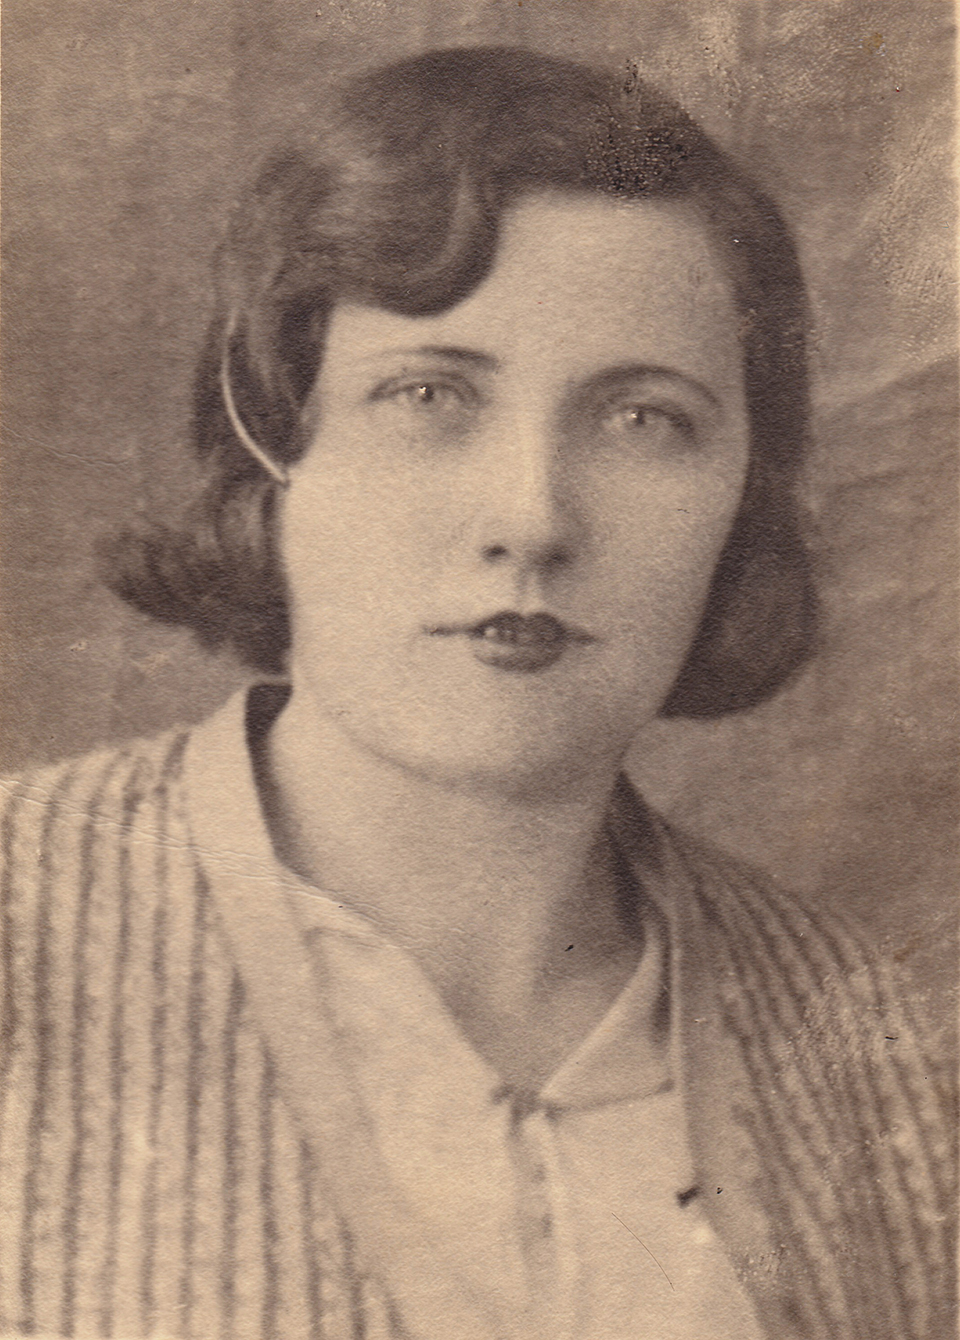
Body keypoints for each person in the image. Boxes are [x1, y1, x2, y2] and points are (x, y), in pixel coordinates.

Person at [0, 45, 952, 1340]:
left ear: (743, 494)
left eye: (644, 419)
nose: (533, 519)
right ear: (276, 440)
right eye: (430, 395)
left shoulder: (877, 1043)